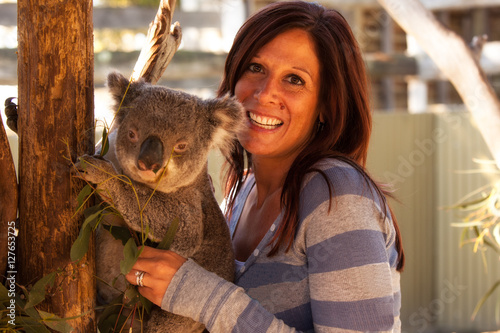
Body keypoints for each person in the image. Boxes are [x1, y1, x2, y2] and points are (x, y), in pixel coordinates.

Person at [125, 1, 405, 331]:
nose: (265, 93)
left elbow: (202, 298)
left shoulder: (337, 197)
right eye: (255, 68)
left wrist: (197, 294)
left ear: (326, 106)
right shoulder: (240, 192)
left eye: (295, 80)